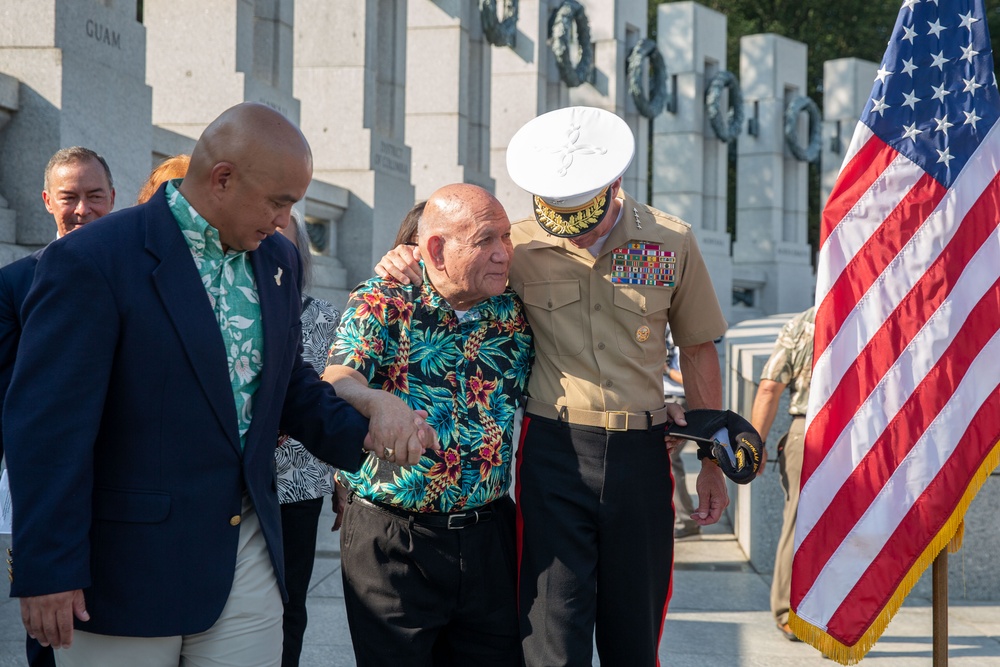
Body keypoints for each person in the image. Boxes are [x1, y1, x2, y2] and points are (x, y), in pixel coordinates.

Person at [1, 103, 422, 667]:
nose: (283, 222)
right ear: (222, 179)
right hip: (124, 570)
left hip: (246, 552)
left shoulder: (276, 259)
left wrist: (363, 430)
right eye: (279, 202)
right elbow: (48, 427)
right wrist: (48, 569)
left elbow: (279, 377)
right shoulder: (92, 260)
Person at [376, 106, 729, 667]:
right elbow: (447, 281)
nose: (572, 230)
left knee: (633, 637)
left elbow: (698, 347)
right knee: (549, 636)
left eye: (584, 216)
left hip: (642, 453)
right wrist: (405, 256)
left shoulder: (671, 242)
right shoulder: (514, 246)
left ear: (613, 186)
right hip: (554, 456)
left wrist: (713, 460)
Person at [323, 183, 533, 666]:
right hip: (392, 542)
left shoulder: (516, 311)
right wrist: (376, 401)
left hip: (488, 539)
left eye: (506, 237)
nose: (504, 253)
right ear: (436, 249)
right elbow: (336, 381)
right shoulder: (384, 299)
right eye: (486, 240)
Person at [0, 146, 115, 667]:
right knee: (49, 632)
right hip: (45, 486)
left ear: (113, 199)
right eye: (70, 197)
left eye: (94, 196)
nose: (82, 209)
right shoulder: (15, 283)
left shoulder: (141, 276)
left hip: (125, 485)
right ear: (48, 200)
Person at [273, 209, 342, 667]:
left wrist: (342, 479)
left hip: (298, 483)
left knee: (289, 601)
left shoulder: (324, 318)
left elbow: (336, 400)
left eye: (284, 239)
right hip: (229, 482)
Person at [749, 306, 815, 642]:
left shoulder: (803, 323)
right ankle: (840, 616)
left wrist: (755, 445)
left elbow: (769, 387)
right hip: (865, 435)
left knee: (797, 524)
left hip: (810, 432)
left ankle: (789, 615)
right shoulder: (877, 314)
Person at [664, 326, 701, 540]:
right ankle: (682, 518)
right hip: (662, 397)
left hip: (678, 398)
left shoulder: (678, 327)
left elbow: (691, 376)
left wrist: (665, 370)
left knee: (671, 458)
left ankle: (685, 519)